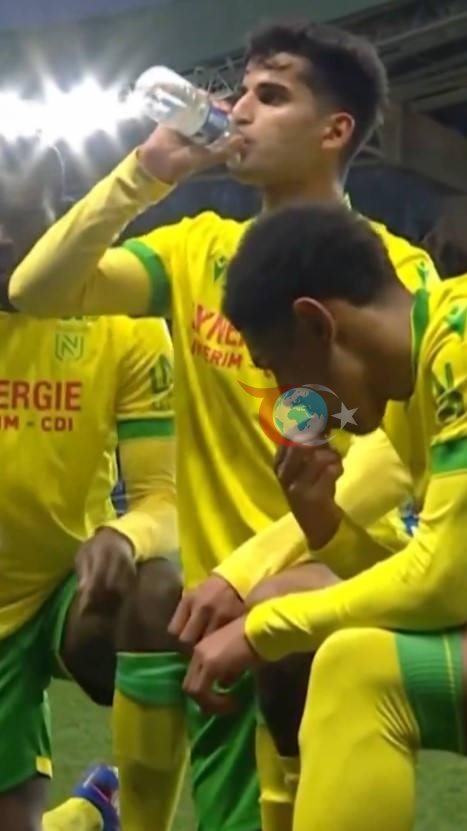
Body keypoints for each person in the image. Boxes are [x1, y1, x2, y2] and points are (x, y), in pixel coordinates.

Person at [6, 21, 438, 831]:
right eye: (239, 93)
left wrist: (249, 570)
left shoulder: (393, 273)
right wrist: (144, 172)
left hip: (320, 588)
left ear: (333, 130)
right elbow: (37, 289)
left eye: (269, 96)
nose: (238, 111)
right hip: (206, 605)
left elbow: (392, 455)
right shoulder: (198, 251)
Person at [180, 200, 467, 831]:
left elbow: (440, 589)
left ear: (317, 324)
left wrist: (259, 631)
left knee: (359, 667)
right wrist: (325, 527)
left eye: (277, 370)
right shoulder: (411, 393)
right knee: (329, 631)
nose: (288, 400)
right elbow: (452, 592)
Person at [0, 136, 183, 831]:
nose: (4, 238)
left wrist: (125, 533)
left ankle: (142, 819)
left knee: (157, 593)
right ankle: (88, 814)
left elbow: (163, 496)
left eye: (21, 219)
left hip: (64, 591)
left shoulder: (122, 323)